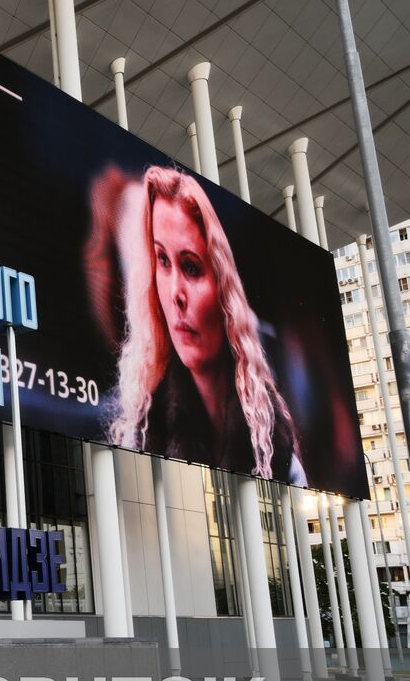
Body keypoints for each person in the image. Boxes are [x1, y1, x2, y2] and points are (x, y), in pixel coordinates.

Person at [106, 165, 305, 484]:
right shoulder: (141, 432)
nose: (175, 293)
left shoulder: (273, 439)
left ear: (223, 286)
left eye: (191, 267)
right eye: (162, 260)